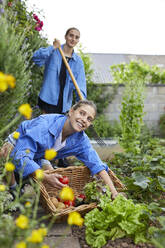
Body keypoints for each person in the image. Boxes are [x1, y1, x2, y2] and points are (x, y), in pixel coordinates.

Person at [3, 100, 119, 200]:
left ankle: (33, 187)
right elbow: (20, 155)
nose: (84, 119)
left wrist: (114, 192)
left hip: (40, 154)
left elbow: (97, 165)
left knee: (52, 181)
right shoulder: (44, 125)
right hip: (19, 144)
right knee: (7, 155)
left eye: (89, 119)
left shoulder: (81, 140)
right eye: (82, 113)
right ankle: (14, 190)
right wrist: (45, 176)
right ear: (71, 111)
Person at [33, 27, 87, 167]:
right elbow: (36, 59)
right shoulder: (54, 52)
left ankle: (59, 157)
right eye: (71, 36)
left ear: (78, 40)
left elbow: (80, 84)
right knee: (47, 129)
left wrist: (83, 102)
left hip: (64, 103)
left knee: (61, 130)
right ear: (66, 36)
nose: (73, 39)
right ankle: (43, 157)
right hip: (48, 97)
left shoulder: (78, 61)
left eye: (76, 37)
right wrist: (52, 48)